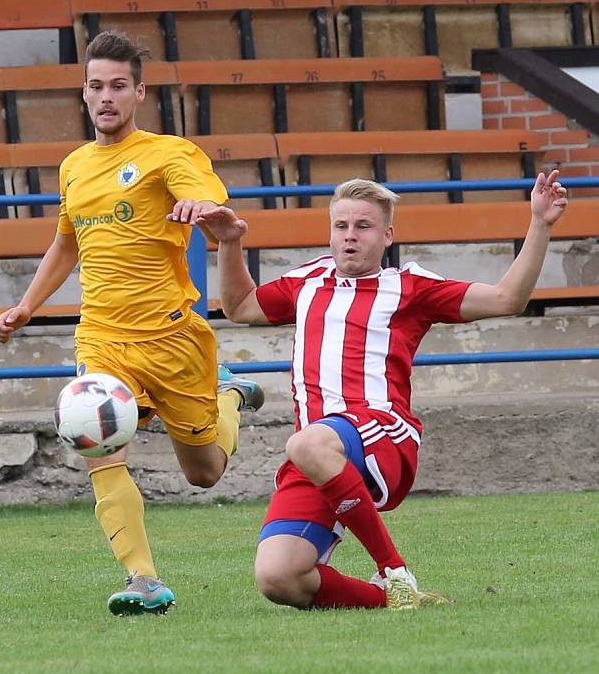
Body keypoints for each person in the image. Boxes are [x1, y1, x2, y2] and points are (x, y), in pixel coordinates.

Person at [198, 171, 568, 611]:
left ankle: (393, 569)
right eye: (341, 226)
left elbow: (508, 298)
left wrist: (540, 224)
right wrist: (229, 242)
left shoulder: (411, 287)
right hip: (318, 452)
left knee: (306, 440)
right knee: (279, 577)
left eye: (363, 226)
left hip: (383, 435)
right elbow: (240, 307)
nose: (350, 237)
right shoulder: (308, 282)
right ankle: (395, 600)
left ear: (387, 235)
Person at [0, 31, 264, 616]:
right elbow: (67, 241)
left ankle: (229, 398)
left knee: (205, 474)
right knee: (98, 447)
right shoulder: (74, 167)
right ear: (84, 94)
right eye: (96, 86)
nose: (106, 96)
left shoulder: (170, 153)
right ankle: (143, 580)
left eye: (118, 85)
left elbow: (206, 195)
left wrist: (204, 210)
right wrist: (28, 305)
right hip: (102, 339)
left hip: (171, 339)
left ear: (139, 92)